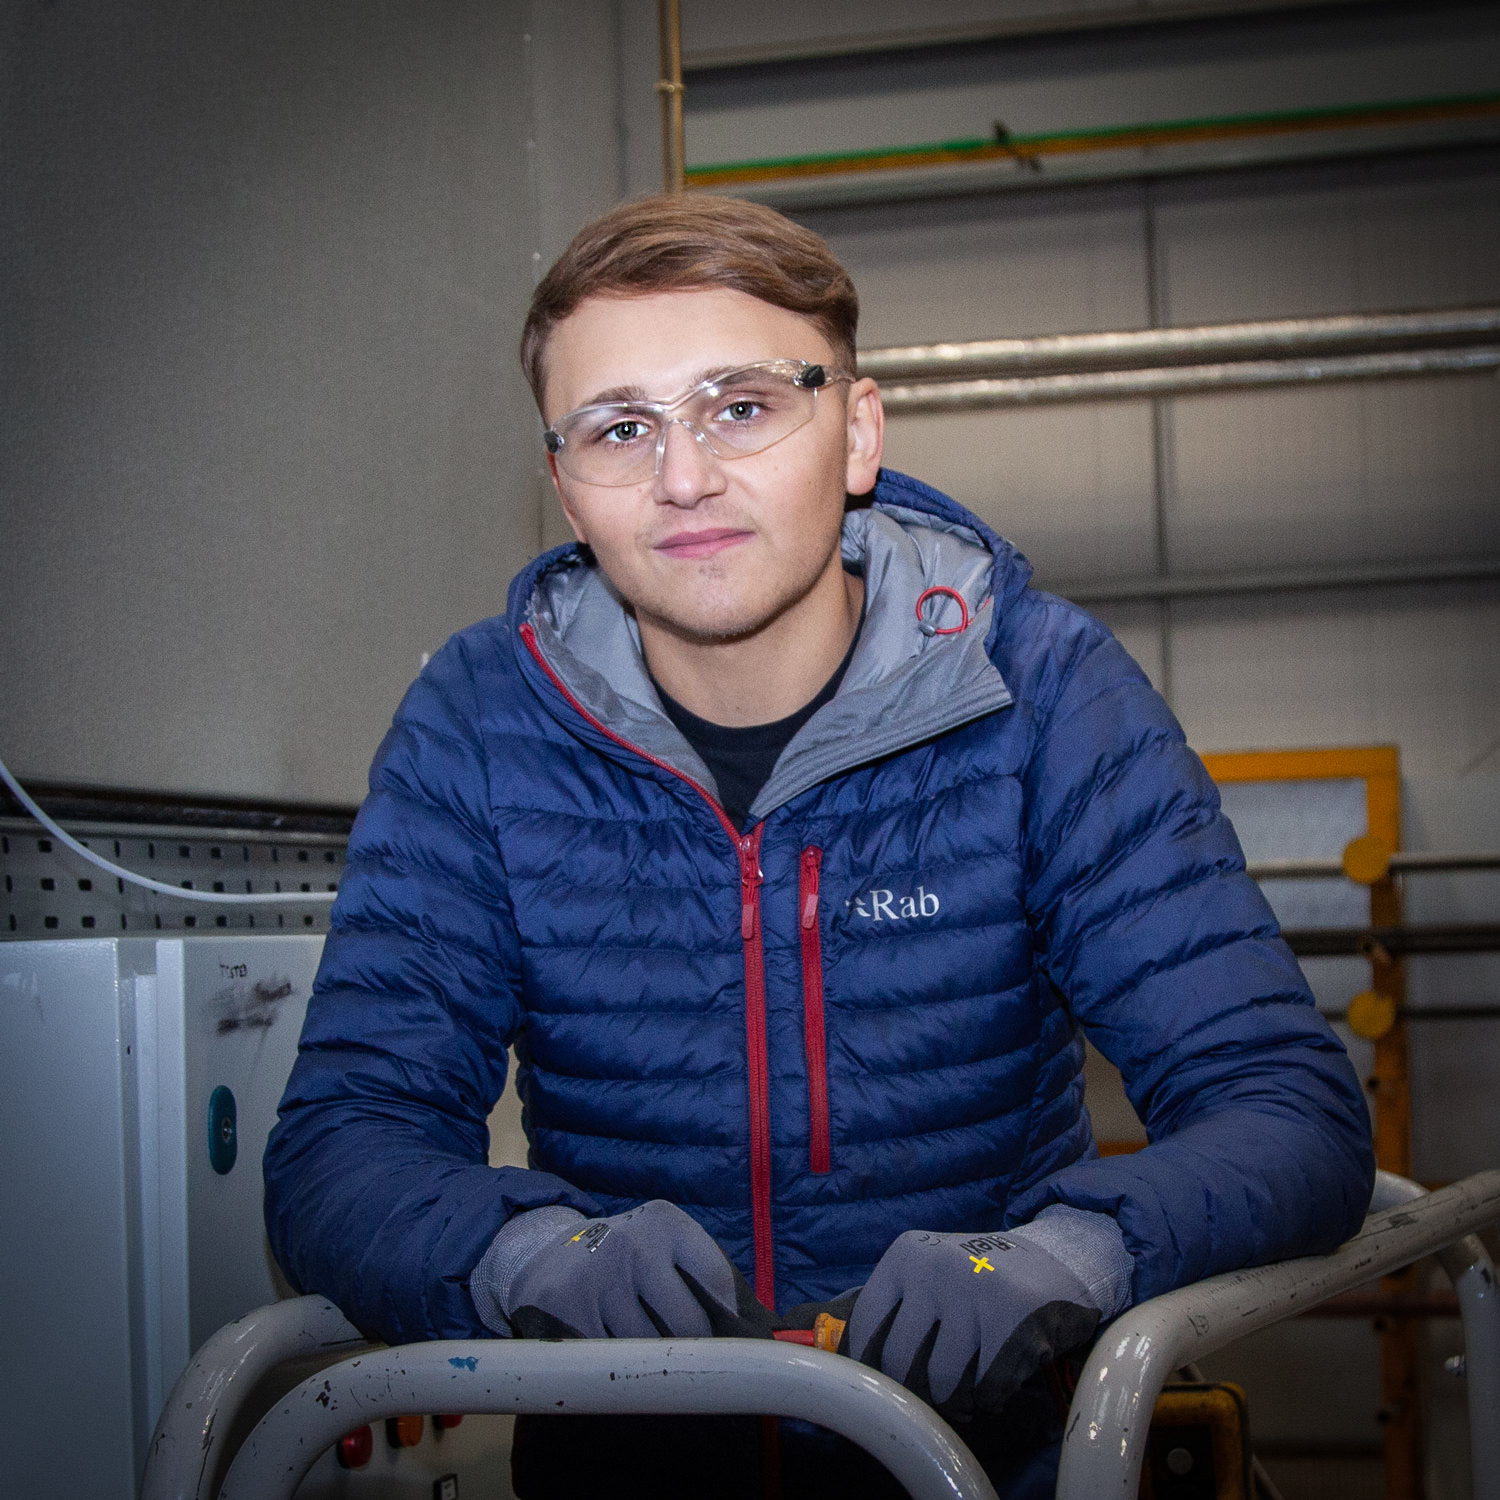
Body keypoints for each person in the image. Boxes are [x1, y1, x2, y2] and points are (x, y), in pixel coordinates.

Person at [264, 195, 1374, 1498]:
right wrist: (532, 1256)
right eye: (622, 427)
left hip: (994, 1466)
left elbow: (1287, 1107)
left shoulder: (1040, 690)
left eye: (741, 406)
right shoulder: (483, 720)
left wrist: (1078, 1254)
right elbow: (343, 1143)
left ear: (854, 433)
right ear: (566, 485)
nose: (684, 476)